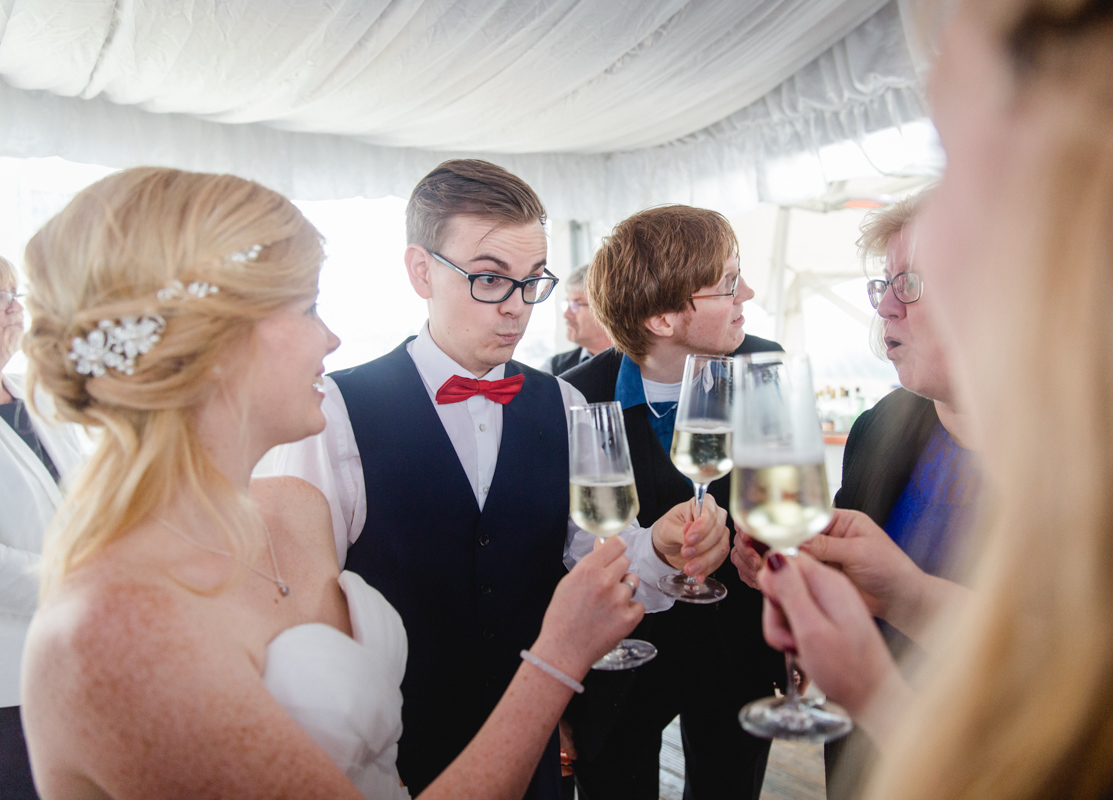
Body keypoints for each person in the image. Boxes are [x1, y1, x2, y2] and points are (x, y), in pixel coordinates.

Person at [18, 166, 647, 800]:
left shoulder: (293, 511)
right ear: (215, 344)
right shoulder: (115, 631)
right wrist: (558, 656)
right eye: (307, 307)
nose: (333, 337)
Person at [758, 0, 1113, 798]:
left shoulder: (1106, 493)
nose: (890, 304)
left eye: (952, 155)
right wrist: (869, 657)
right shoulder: (888, 430)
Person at [272, 160, 730, 800]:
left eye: (532, 282)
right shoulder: (334, 415)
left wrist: (658, 546)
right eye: (489, 279)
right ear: (420, 269)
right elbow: (309, 632)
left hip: (534, 756)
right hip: (391, 764)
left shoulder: (565, 407)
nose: (517, 309)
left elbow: (598, 557)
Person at [731, 190, 981, 799]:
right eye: (884, 284)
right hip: (860, 764)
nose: (887, 307)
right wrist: (805, 573)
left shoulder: (1093, 464)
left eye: (912, 283)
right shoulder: (882, 424)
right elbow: (853, 573)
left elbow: (1087, 662)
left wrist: (904, 599)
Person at [560, 204, 781, 800]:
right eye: (729, 284)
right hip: (621, 663)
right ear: (662, 317)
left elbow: (784, 501)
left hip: (737, 651)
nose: (748, 294)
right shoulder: (576, 398)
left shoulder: (766, 367)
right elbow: (560, 549)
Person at [0, 256, 90, 800]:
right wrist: (79, 582)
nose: (16, 310)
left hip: (76, 667)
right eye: (1, 298)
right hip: (8, 683)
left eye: (16, 294)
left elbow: (85, 501)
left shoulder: (38, 397)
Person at [544, 265, 612, 376]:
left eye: (575, 304)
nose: (567, 315)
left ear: (605, 309)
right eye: (568, 303)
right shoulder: (554, 368)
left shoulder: (642, 365)